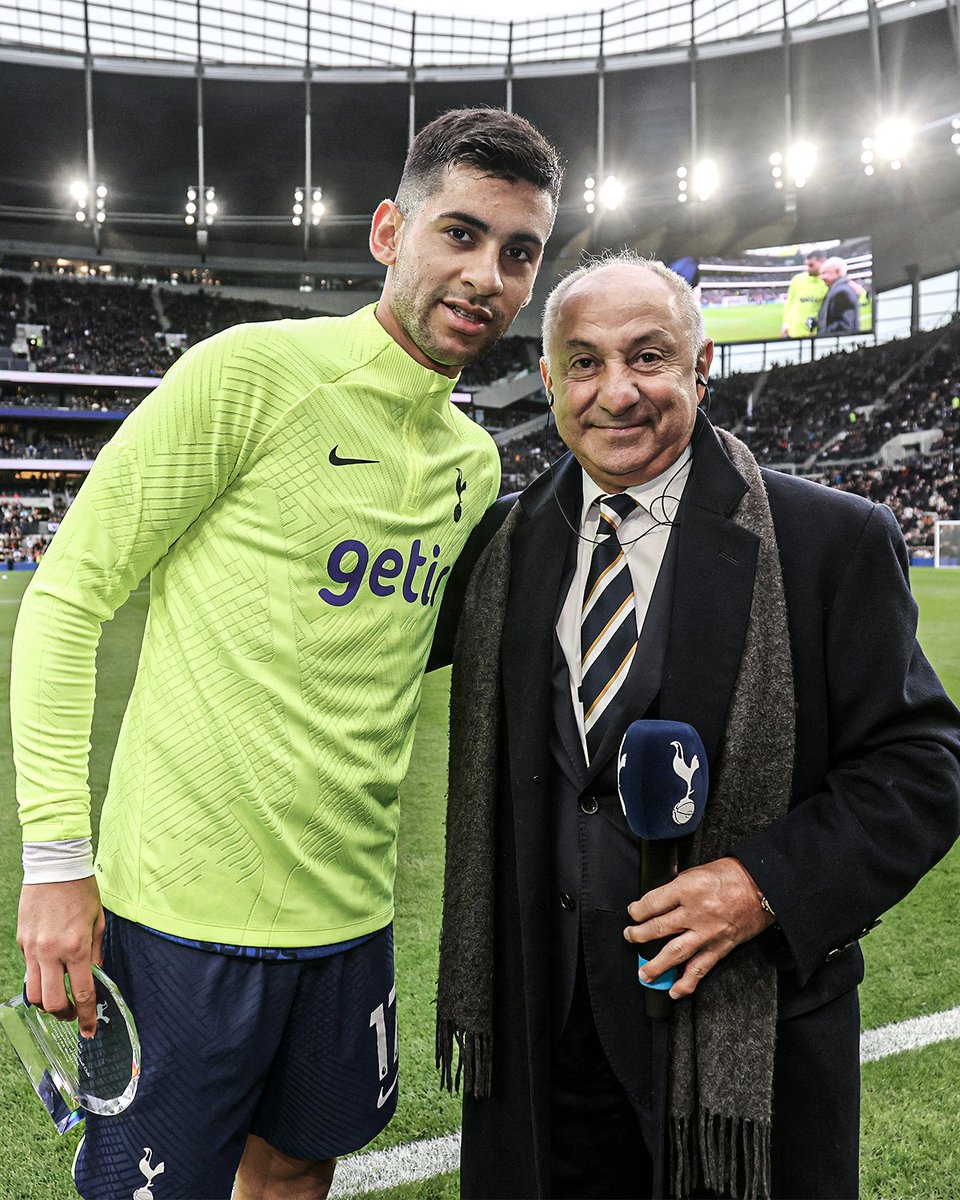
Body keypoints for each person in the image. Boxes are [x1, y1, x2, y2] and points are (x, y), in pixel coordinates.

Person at [11, 106, 562, 1200]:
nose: (486, 275)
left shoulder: (473, 464)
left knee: (302, 1169)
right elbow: (68, 599)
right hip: (180, 921)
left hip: (351, 916)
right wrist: (55, 862)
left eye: (519, 253)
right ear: (387, 232)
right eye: (459, 233)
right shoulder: (251, 375)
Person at [433, 253, 960, 1200]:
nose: (617, 391)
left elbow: (925, 768)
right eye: (584, 364)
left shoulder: (828, 539)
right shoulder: (504, 548)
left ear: (701, 365)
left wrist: (766, 884)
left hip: (742, 1049)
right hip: (542, 1034)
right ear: (550, 382)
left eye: (649, 356)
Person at [779, 250, 826, 338]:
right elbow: (789, 303)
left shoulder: (827, 282)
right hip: (793, 332)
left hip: (815, 333)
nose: (808, 268)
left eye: (811, 265)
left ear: (823, 262)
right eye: (807, 265)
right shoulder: (797, 279)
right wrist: (785, 324)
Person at [817, 256, 862, 335]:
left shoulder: (842, 292)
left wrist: (823, 334)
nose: (821, 277)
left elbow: (845, 326)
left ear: (837, 272)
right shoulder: (836, 289)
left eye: (824, 273)